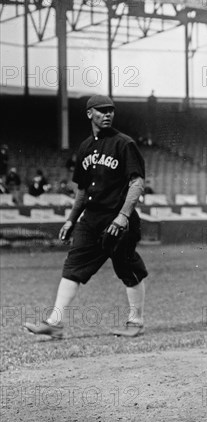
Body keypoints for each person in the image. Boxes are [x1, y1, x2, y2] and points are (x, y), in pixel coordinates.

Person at [24, 95, 148, 339]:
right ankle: (55, 323)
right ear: (89, 113)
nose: (107, 114)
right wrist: (71, 219)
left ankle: (136, 321)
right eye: (101, 111)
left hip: (117, 219)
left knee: (127, 268)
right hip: (91, 219)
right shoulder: (85, 147)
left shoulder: (124, 143)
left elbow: (137, 182)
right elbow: (82, 190)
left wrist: (123, 216)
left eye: (111, 110)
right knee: (73, 267)